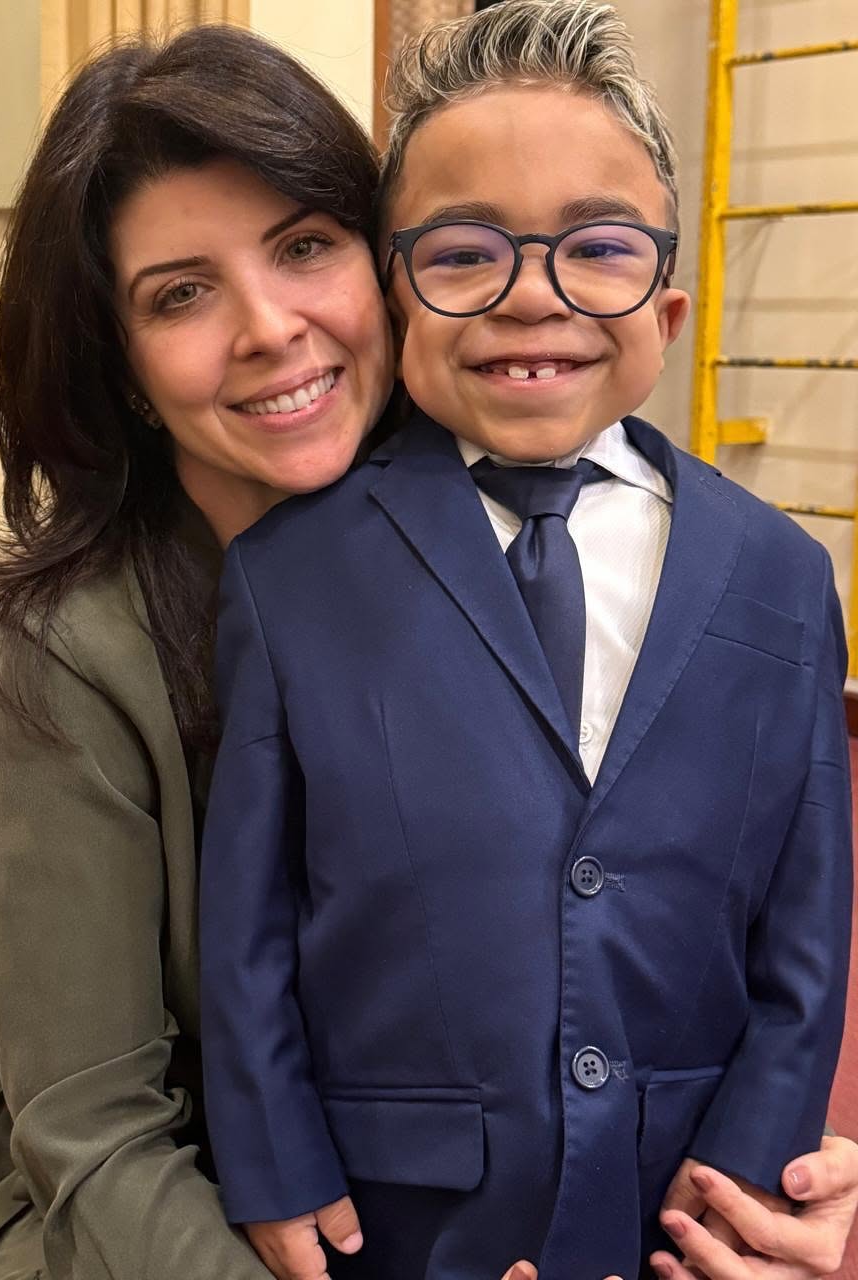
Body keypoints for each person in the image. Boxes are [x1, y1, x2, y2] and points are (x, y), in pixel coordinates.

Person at [0, 14, 856, 1280]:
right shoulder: (75, 650)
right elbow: (93, 1135)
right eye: (180, 292)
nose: (269, 327)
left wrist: (767, 1174)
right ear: (121, 360)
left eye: (305, 246)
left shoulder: (597, 522)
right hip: (119, 1207)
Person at [196, 3, 854, 1280]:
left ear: (667, 308)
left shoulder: (781, 574)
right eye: (463, 252)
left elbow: (805, 932)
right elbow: (250, 917)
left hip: (678, 1200)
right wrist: (272, 1153)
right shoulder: (290, 576)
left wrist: (750, 1184)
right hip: (396, 1208)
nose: (533, 298)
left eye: (598, 248)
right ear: (395, 297)